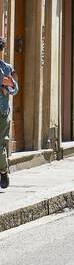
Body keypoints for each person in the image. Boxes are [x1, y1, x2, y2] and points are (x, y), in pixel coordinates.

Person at [0, 38, 19, 190]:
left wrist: (10, 84)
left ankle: (3, 170)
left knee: (1, 142)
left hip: (2, 112)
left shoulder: (7, 68)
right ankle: (3, 170)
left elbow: (15, 88)